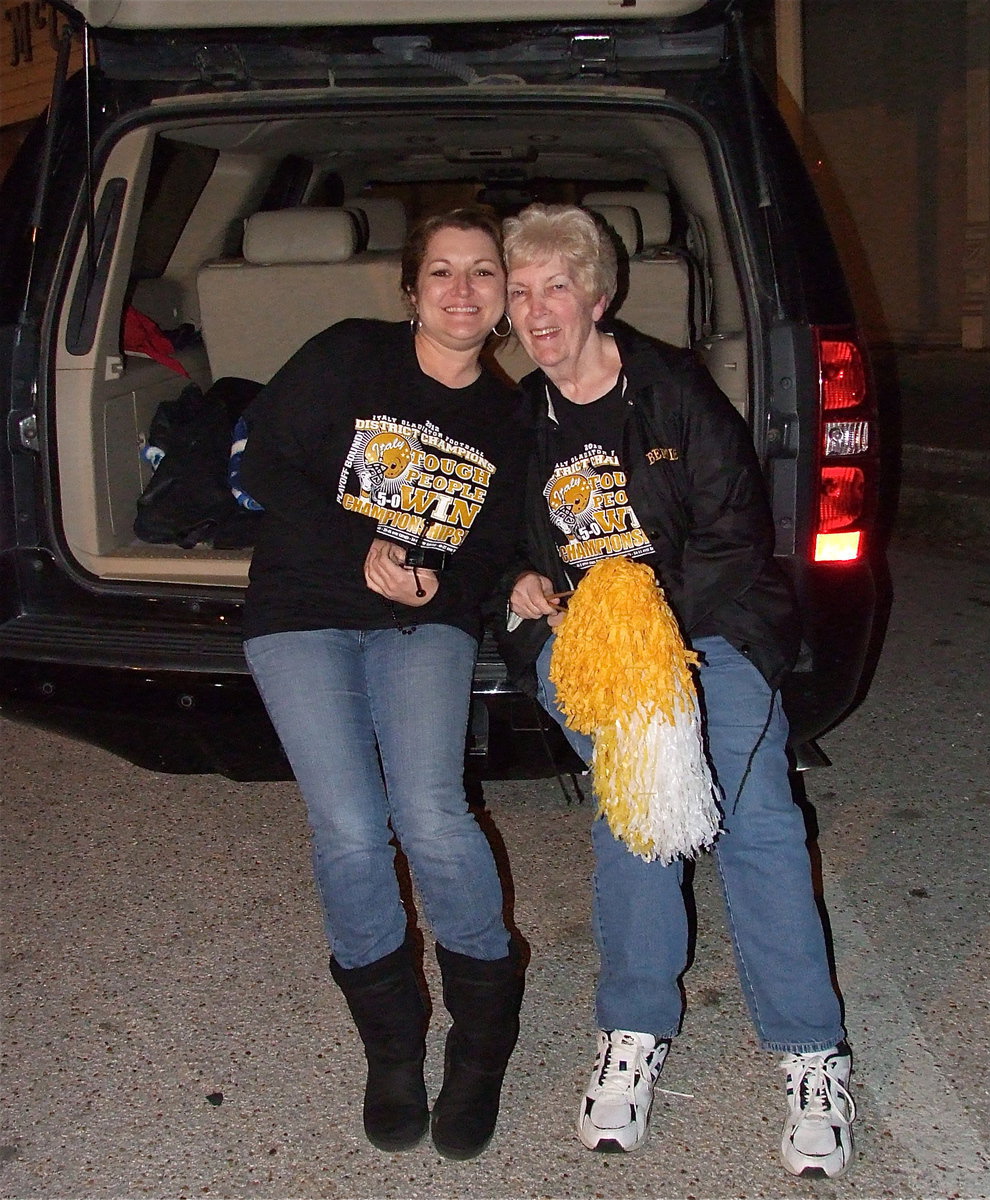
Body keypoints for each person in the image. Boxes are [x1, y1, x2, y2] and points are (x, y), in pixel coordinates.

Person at [500, 203, 856, 1177]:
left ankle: (810, 1050)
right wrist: (517, 588)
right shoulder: (514, 420)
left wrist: (649, 633)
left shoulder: (671, 390)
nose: (537, 312)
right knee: (640, 795)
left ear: (599, 294)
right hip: (584, 653)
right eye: (520, 292)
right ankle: (634, 1028)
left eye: (557, 287)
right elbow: (495, 549)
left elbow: (736, 543)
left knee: (756, 814)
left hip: (709, 632)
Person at [238, 208, 527, 1161]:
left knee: (432, 816)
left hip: (421, 624)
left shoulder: (505, 414)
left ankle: (480, 1043)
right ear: (410, 290)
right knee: (352, 832)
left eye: (480, 273)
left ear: (503, 300)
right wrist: (361, 547)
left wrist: (458, 578)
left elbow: (494, 543)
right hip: (301, 610)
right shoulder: (347, 355)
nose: (459, 290)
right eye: (439, 271)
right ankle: (392, 1048)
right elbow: (263, 464)